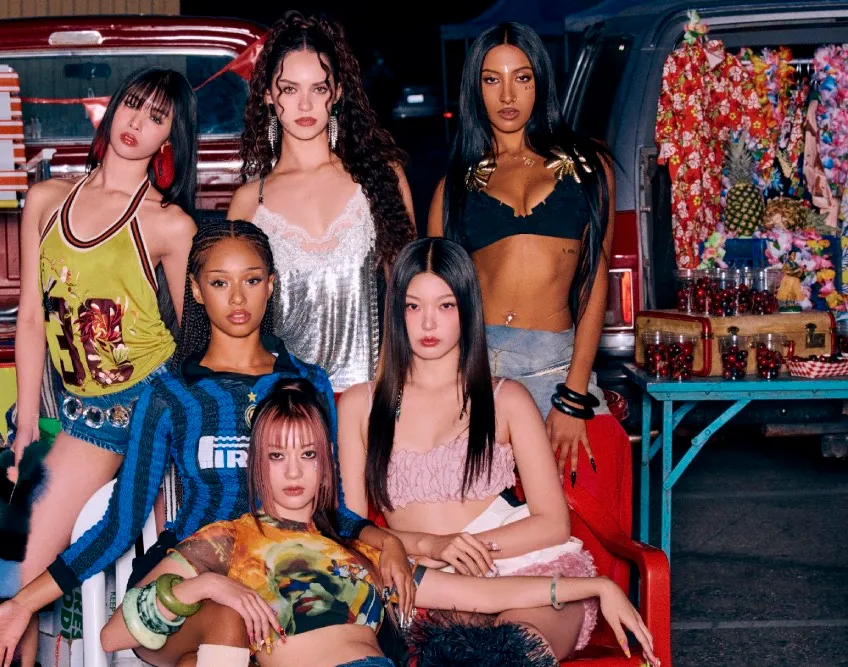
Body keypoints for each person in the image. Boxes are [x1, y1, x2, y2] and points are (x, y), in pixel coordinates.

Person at [0, 220, 415, 667]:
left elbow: (331, 510)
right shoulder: (171, 394)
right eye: (220, 283)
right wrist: (24, 603)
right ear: (197, 291)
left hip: (286, 578)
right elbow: (119, 525)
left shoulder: (307, 382)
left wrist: (385, 541)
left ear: (270, 286)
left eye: (251, 280)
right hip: (192, 582)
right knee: (227, 621)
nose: (237, 298)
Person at [101, 377, 658, 667]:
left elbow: (483, 595)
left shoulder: (362, 551)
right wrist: (208, 586)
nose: (292, 472)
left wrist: (597, 587)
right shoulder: (228, 540)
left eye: (307, 455)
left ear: (326, 465)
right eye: (276, 455)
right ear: (256, 464)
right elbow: (114, 634)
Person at [0, 66, 198, 667]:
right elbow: (31, 318)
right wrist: (26, 423)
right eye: (133, 105)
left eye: (157, 117)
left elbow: (192, 345)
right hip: (67, 407)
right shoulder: (47, 199)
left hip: (133, 410)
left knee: (18, 569)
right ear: (112, 108)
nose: (137, 123)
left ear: (170, 139)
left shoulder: (169, 223)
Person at [340, 237, 624, 662]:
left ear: (468, 310)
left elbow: (552, 524)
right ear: (395, 311)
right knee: (459, 651)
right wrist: (432, 547)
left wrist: (465, 547)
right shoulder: (361, 405)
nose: (428, 322)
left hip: (529, 570)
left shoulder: (507, 398)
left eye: (446, 305)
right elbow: (351, 530)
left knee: (516, 650)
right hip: (429, 583)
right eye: (413, 306)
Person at [427, 23, 621, 483]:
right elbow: (436, 304)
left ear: (541, 83)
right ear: (475, 89)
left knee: (586, 501)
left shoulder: (590, 168)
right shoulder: (453, 189)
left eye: (522, 77)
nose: (508, 95)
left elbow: (594, 282)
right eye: (491, 79)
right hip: (480, 374)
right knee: (485, 516)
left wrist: (574, 394)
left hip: (560, 366)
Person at [227, 10, 416, 391]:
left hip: (372, 397)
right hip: (284, 405)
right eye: (290, 89)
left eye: (318, 88)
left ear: (338, 93)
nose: (305, 105)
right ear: (268, 95)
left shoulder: (380, 178)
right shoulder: (249, 202)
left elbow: (410, 294)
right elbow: (235, 319)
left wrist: (386, 391)